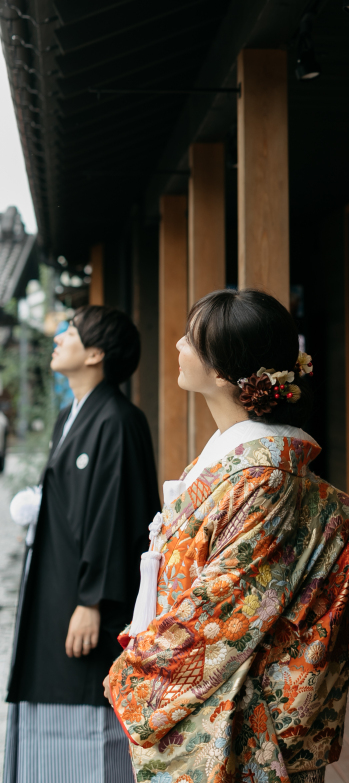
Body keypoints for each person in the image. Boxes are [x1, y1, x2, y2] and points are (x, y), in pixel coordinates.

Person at [105, 288, 349, 783]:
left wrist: (137, 668)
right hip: (217, 701)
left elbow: (223, 609)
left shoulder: (266, 480)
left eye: (191, 339)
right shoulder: (237, 462)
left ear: (223, 374)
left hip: (237, 720)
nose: (178, 345)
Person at [4, 305, 160, 783]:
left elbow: (116, 515)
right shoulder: (72, 414)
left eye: (69, 331)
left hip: (89, 600)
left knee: (92, 724)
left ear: (95, 354)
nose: (58, 337)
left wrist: (93, 600)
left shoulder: (118, 419)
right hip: (57, 589)